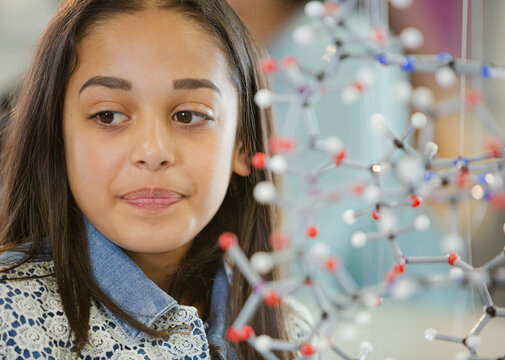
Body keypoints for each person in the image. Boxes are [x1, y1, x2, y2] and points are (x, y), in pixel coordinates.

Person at [0, 0, 310, 359]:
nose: (152, 150)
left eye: (189, 115)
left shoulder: (292, 335)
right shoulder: (10, 316)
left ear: (243, 143)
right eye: (107, 115)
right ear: (58, 137)